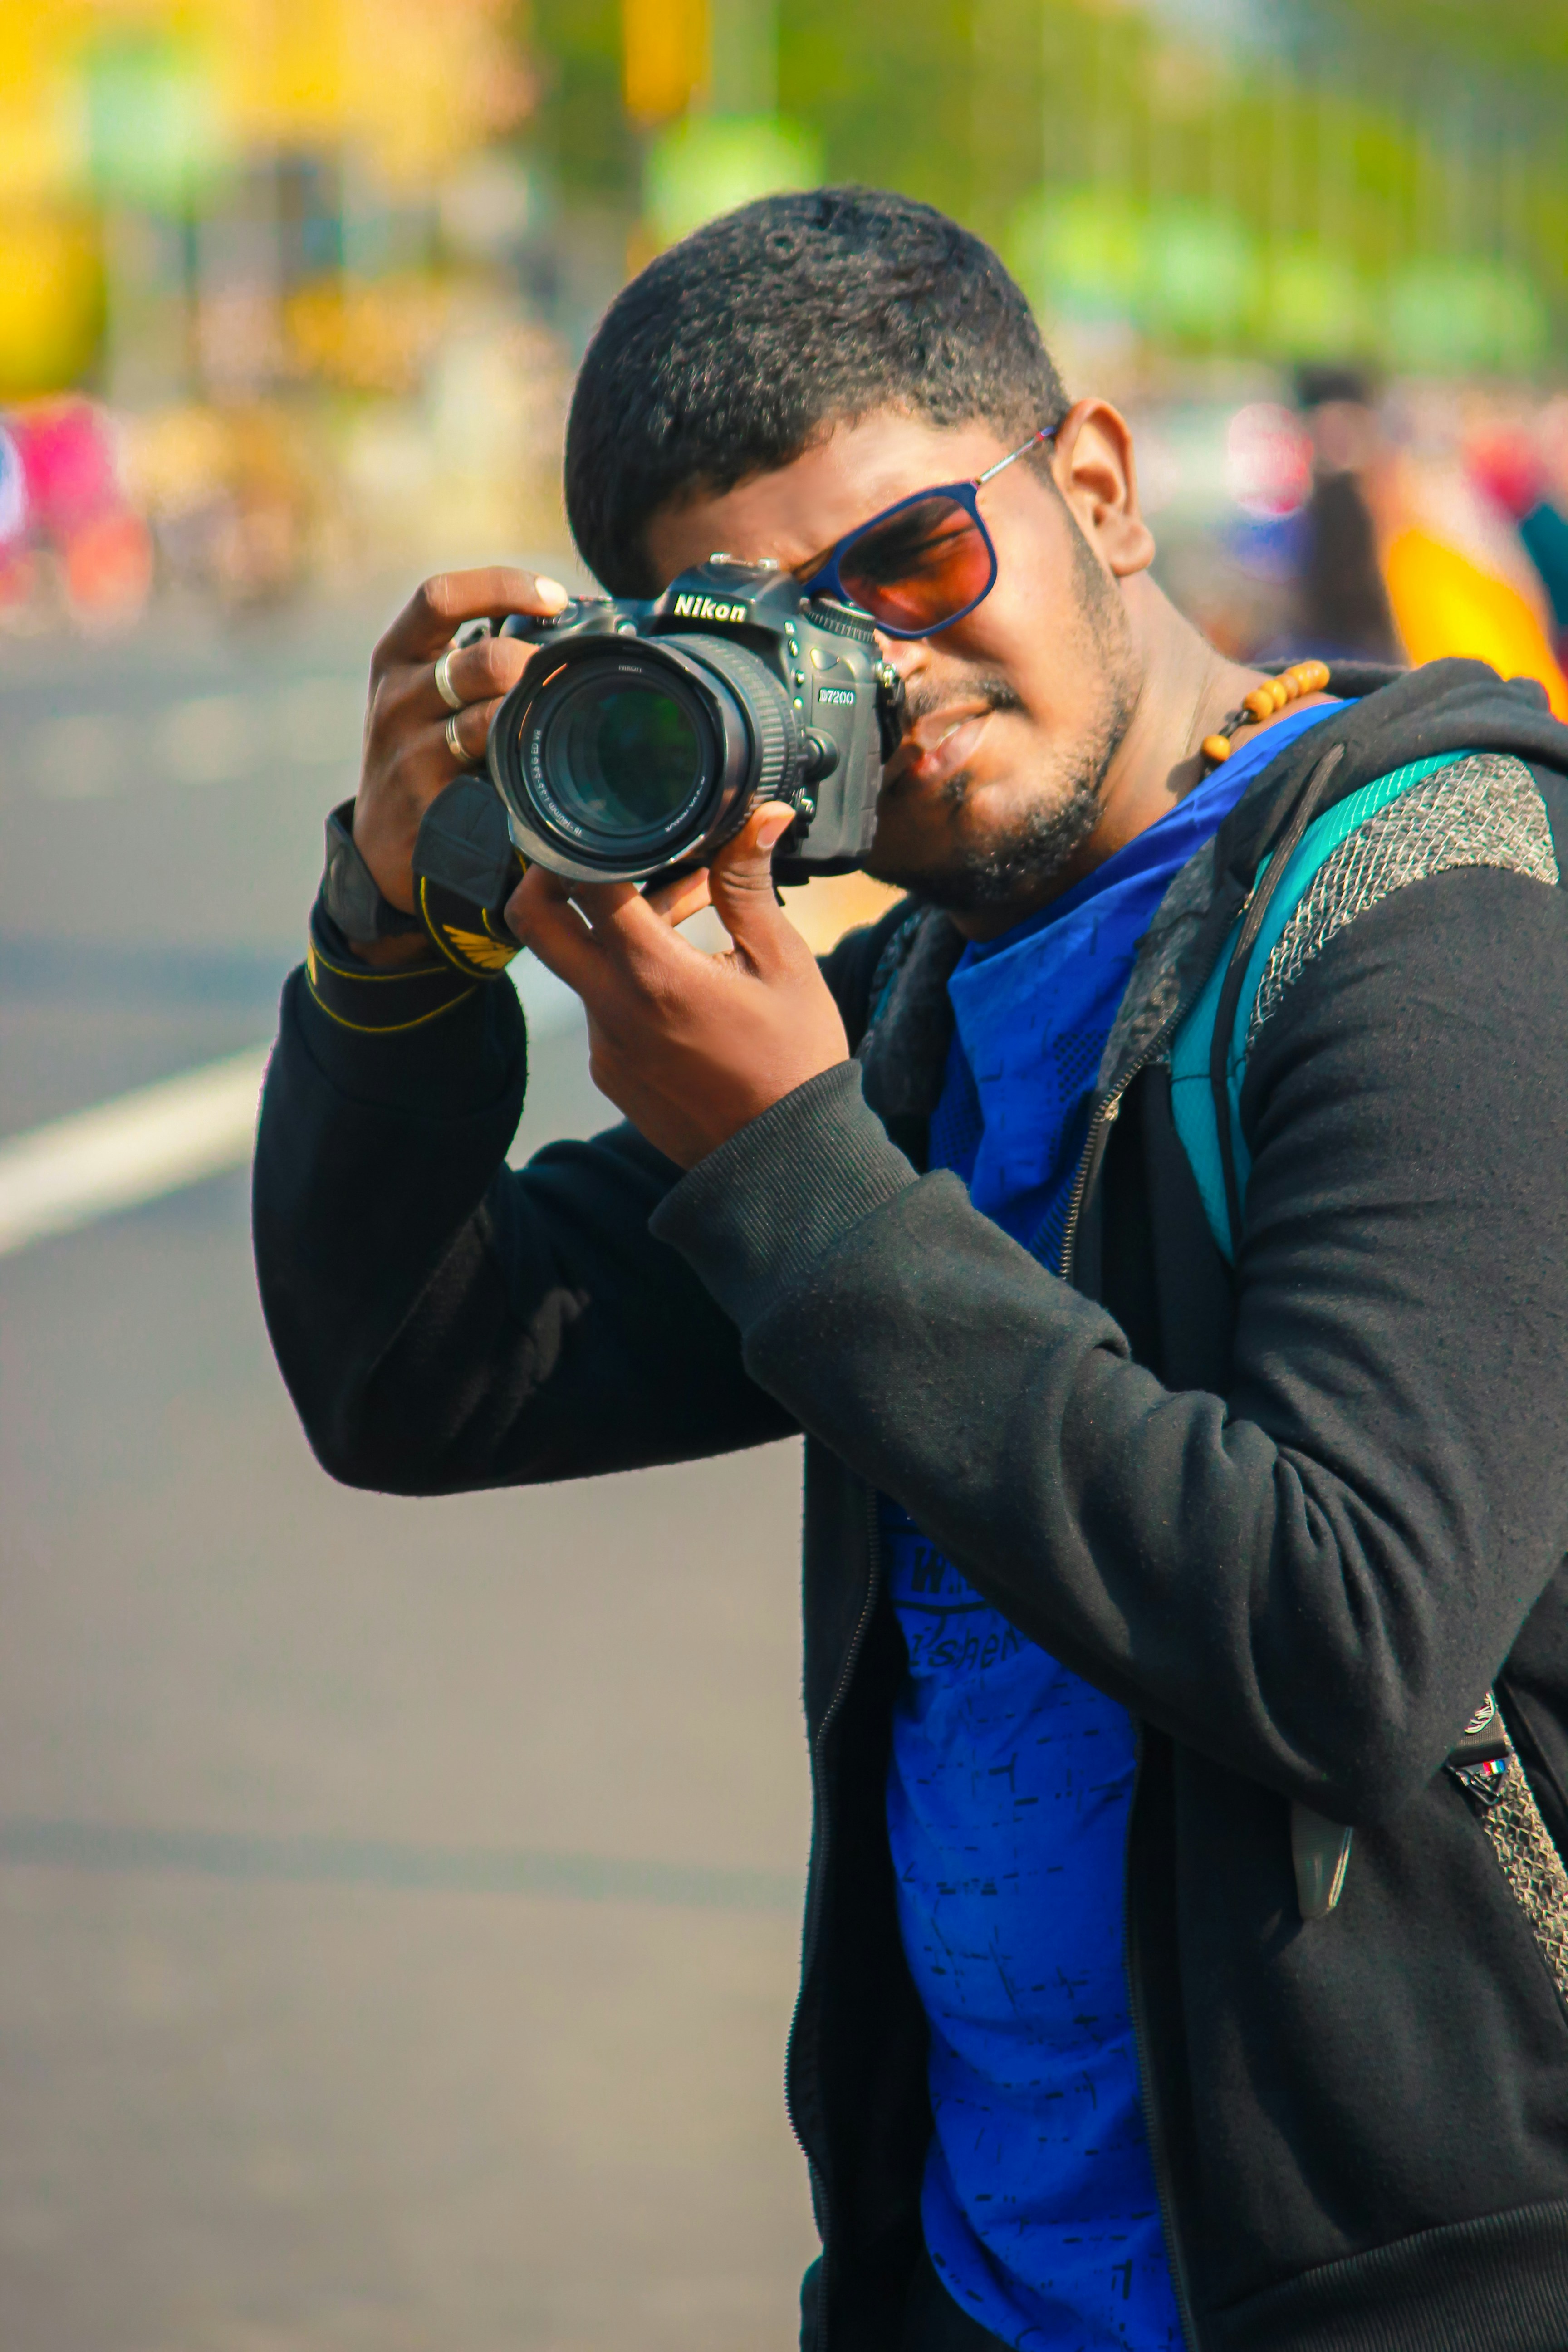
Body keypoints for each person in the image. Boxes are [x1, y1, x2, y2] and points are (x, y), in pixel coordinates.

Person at [253, 189, 1568, 2352]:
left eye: (916, 560)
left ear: (1099, 488)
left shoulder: (1442, 916)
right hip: (957, 2284)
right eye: (774, 634)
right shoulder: (926, 1014)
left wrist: (795, 1173)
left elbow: (1347, 1639)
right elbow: (421, 1373)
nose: (882, 667)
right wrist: (392, 947)